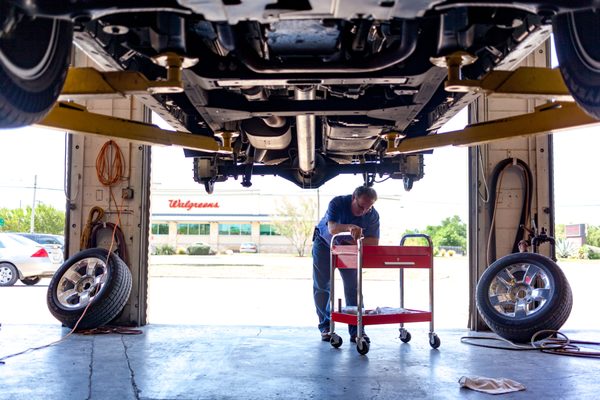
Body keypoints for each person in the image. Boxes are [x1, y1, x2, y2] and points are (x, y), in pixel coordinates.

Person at [312, 185, 380, 343]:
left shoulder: (372, 215)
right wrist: (349, 227)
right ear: (353, 198)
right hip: (324, 244)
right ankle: (326, 327)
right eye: (361, 206)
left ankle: (357, 329)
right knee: (322, 285)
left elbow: (373, 242)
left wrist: (353, 240)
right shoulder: (337, 203)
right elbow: (333, 228)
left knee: (353, 287)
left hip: (348, 248)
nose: (364, 211)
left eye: (368, 207)